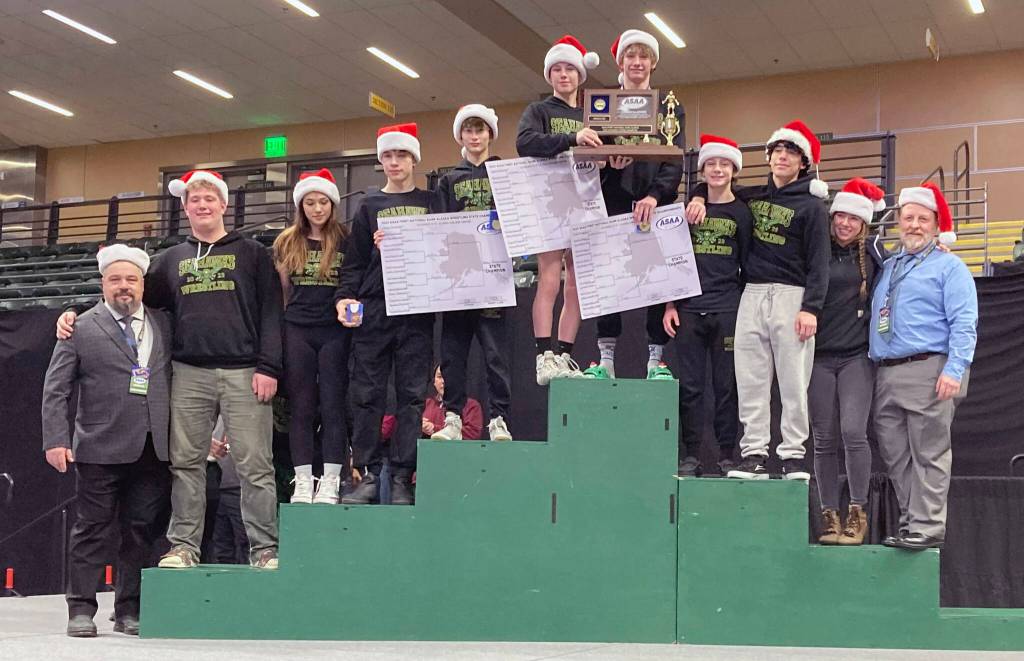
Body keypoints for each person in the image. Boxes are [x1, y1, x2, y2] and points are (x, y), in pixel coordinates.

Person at [57, 169, 283, 570]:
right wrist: (73, 311)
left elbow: (270, 312)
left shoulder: (251, 253)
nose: (202, 205)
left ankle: (264, 548)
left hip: (244, 371)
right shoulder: (170, 260)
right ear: (185, 207)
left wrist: (268, 366)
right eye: (194, 200)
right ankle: (184, 546)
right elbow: (128, 298)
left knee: (255, 464)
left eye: (209, 199)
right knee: (186, 463)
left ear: (223, 204)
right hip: (188, 373)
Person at [686, 119, 830, 480]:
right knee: (750, 377)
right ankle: (754, 454)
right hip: (751, 292)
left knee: (794, 380)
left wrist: (811, 307)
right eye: (777, 151)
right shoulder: (753, 196)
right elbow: (719, 189)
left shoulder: (812, 207)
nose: (782, 157)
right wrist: (700, 194)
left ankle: (793, 455)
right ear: (768, 157)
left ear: (803, 163)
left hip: (791, 295)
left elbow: (819, 262)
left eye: (791, 152)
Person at [42, 245, 172, 637]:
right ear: (103, 283)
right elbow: (55, 389)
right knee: (92, 529)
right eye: (115, 279)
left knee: (141, 530)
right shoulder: (79, 327)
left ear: (142, 284)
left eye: (131, 279)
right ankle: (80, 608)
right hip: (98, 446)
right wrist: (55, 439)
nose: (124, 287)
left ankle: (128, 609)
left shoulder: (165, 323)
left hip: (153, 447)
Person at [872, 183, 977, 550]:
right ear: (898, 222)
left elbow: (965, 322)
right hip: (887, 371)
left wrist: (955, 368)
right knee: (895, 453)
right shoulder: (891, 266)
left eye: (922, 219)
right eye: (908, 218)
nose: (914, 225)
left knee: (929, 452)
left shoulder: (950, 267)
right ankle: (910, 522)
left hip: (930, 368)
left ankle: (928, 526)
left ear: (935, 224)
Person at [335, 123, 434, 506]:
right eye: (388, 156)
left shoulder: (432, 201)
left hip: (416, 308)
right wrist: (345, 297)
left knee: (411, 395)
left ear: (414, 159)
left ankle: (403, 478)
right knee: (367, 394)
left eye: (402, 155)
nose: (395, 162)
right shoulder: (369, 206)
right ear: (381, 161)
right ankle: (369, 474)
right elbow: (354, 262)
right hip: (376, 308)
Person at [585, 28, 684, 381]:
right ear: (621, 62)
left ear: (653, 63)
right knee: (609, 281)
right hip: (612, 204)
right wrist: (608, 165)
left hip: (653, 207)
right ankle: (605, 359)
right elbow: (592, 159)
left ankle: (655, 360)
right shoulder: (603, 106)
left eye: (644, 57)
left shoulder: (670, 108)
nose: (637, 62)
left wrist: (655, 196)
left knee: (656, 281)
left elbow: (675, 160)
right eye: (631, 56)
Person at [516, 34, 601, 385]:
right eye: (557, 69)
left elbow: (606, 149)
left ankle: (565, 353)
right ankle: (543, 353)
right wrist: (571, 139)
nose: (564, 75)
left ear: (580, 76)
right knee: (549, 275)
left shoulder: (591, 112)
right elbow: (525, 143)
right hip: (550, 200)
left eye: (570, 69)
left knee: (577, 282)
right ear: (550, 75)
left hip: (584, 200)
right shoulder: (539, 111)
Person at [663, 135, 750, 477]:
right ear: (703, 170)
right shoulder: (686, 211)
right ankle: (691, 455)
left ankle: (727, 454)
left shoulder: (742, 213)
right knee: (691, 386)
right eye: (711, 164)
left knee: (726, 385)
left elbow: (747, 261)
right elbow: (673, 260)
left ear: (733, 171)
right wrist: (670, 305)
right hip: (688, 310)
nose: (717, 170)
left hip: (728, 309)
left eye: (724, 165)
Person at [811, 178, 888, 545]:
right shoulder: (816, 249)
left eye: (852, 219)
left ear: (863, 223)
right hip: (818, 358)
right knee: (824, 439)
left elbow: (903, 267)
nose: (843, 223)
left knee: (854, 432)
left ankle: (858, 512)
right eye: (839, 216)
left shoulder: (874, 252)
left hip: (856, 357)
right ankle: (829, 515)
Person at [430, 104, 513, 442]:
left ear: (490, 133)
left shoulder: (506, 174)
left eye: (480, 130)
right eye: (468, 130)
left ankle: (499, 419)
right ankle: (451, 416)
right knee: (453, 352)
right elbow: (439, 229)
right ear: (460, 136)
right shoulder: (449, 179)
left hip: (495, 279)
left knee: (496, 355)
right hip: (460, 280)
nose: (475, 136)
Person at [273, 168, 351, 504]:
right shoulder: (286, 241)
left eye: (323, 202)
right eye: (310, 203)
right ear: (300, 206)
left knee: (333, 406)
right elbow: (281, 292)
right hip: (297, 329)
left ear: (332, 205)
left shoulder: (346, 240)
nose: (317, 209)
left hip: (334, 331)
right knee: (302, 408)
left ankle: (331, 480)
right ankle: (303, 480)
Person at [384, 365, 483, 442]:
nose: (443, 381)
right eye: (440, 377)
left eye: (448, 377)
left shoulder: (471, 405)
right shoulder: (425, 404)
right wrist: (419, 426)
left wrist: (434, 428)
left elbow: (473, 433)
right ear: (434, 382)